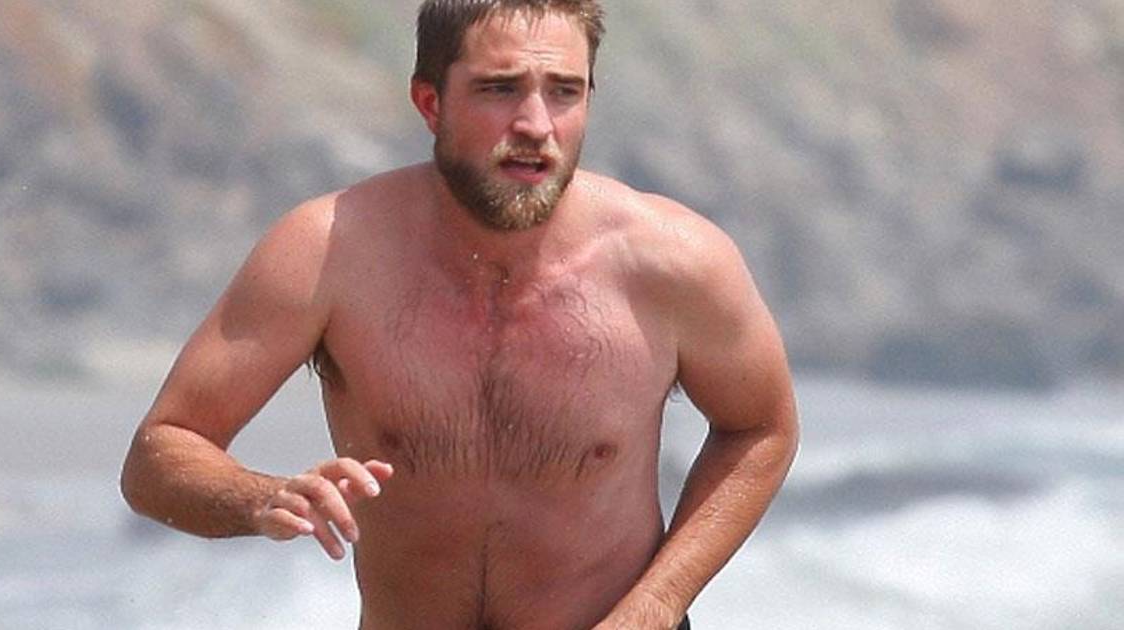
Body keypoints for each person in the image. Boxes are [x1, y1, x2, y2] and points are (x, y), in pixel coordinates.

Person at [120, 1, 799, 628]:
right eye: (500, 90)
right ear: (430, 102)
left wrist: (655, 606)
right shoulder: (328, 253)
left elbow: (762, 429)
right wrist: (259, 498)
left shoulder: (674, 261)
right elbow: (159, 454)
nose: (536, 125)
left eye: (564, 92)